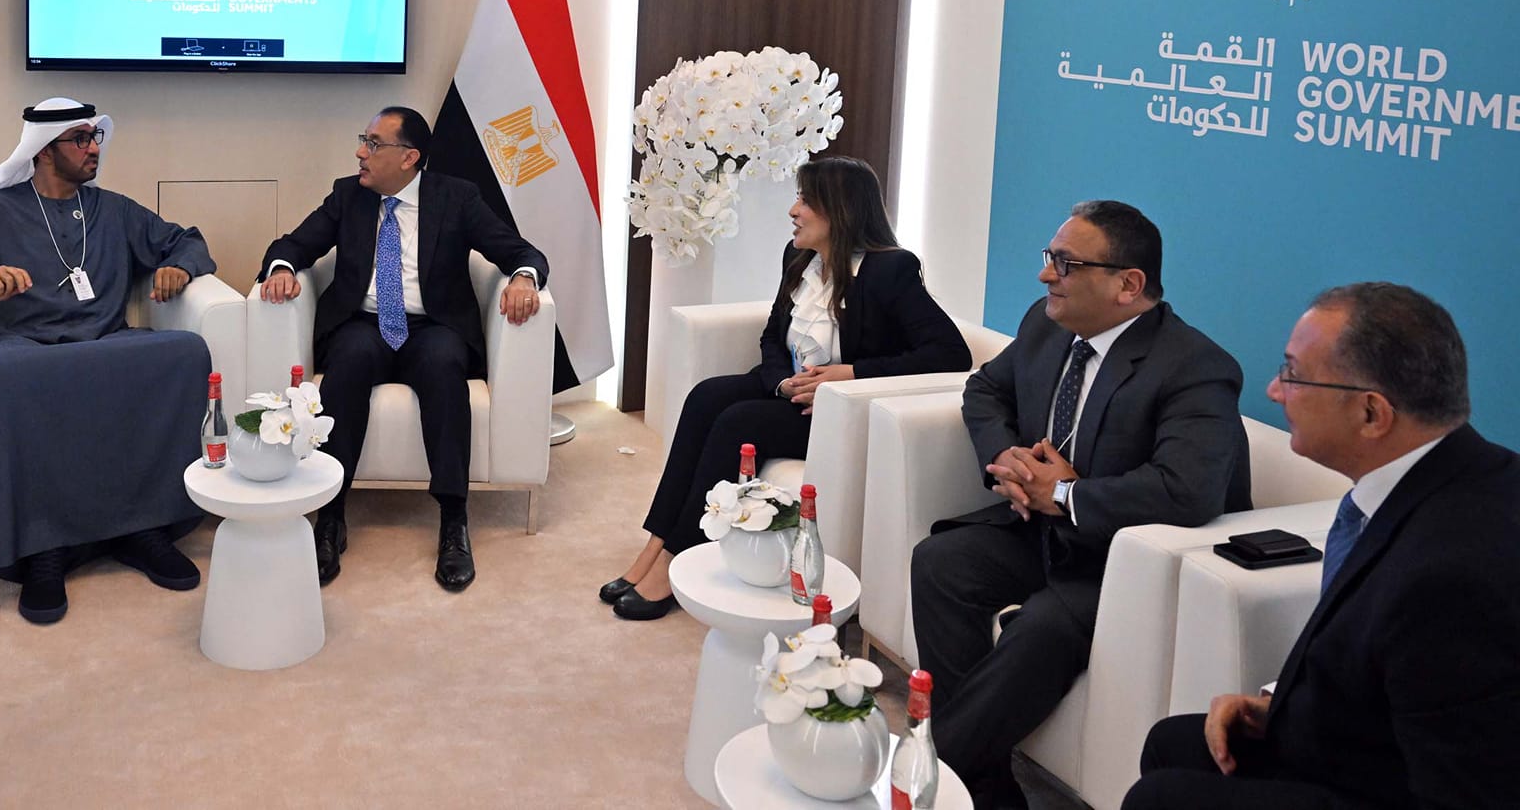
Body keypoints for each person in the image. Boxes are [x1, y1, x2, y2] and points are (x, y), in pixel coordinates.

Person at [1124, 283, 1520, 810]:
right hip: (1374, 744)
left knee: (1160, 798)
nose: (1273, 391)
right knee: (1175, 742)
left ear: (1371, 413)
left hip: (1396, 789)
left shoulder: (1448, 576)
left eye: (1293, 374)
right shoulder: (1449, 477)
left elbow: (1460, 791)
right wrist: (1281, 704)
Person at [909, 200, 1249, 810]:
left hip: (1120, 560)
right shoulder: (1047, 327)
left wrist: (1065, 494)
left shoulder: (1195, 366)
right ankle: (986, 790)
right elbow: (984, 389)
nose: (1046, 275)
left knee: (1041, 628)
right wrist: (1008, 457)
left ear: (1128, 285)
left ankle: (926, 775)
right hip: (1040, 533)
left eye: (1066, 264)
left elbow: (1186, 490)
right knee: (941, 562)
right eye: (1050, 258)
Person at [601, 156, 970, 621]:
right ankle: (654, 546)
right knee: (705, 397)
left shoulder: (890, 270)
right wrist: (780, 382)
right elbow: (772, 336)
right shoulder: (797, 257)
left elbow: (950, 353)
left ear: (841, 209)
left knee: (737, 422)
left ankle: (677, 558)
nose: (793, 211)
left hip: (838, 412)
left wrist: (852, 374)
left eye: (805, 200)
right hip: (789, 391)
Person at [0, 98, 217, 625]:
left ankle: (144, 528)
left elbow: (187, 240)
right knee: (8, 374)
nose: (94, 149)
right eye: (81, 140)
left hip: (105, 342)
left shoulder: (113, 210)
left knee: (186, 352)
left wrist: (180, 266)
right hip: (26, 348)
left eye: (96, 138)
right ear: (45, 151)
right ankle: (43, 549)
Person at [259, 105, 549, 592]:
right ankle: (330, 516)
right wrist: (283, 269)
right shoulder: (348, 195)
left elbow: (521, 252)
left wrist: (523, 278)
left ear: (409, 157)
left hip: (432, 325)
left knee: (444, 367)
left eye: (373, 144)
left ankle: (453, 521)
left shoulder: (456, 198)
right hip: (364, 323)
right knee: (348, 362)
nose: (361, 152)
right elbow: (293, 244)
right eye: (364, 140)